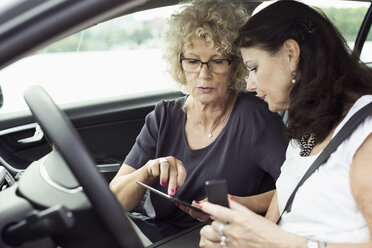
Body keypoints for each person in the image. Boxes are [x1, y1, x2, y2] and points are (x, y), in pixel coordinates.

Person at [109, 0, 288, 243]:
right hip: (146, 233)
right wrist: (149, 170)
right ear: (179, 64)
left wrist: (234, 205)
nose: (204, 75)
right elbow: (116, 200)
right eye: (193, 61)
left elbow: (298, 186)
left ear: (235, 64)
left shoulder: (254, 117)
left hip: (207, 239)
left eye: (217, 61)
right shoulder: (163, 116)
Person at [199, 0, 372, 247]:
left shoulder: (365, 134)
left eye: (254, 68)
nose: (249, 84)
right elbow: (278, 221)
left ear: (291, 54)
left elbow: (274, 239)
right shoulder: (307, 132)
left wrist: (278, 242)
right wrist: (236, 235)